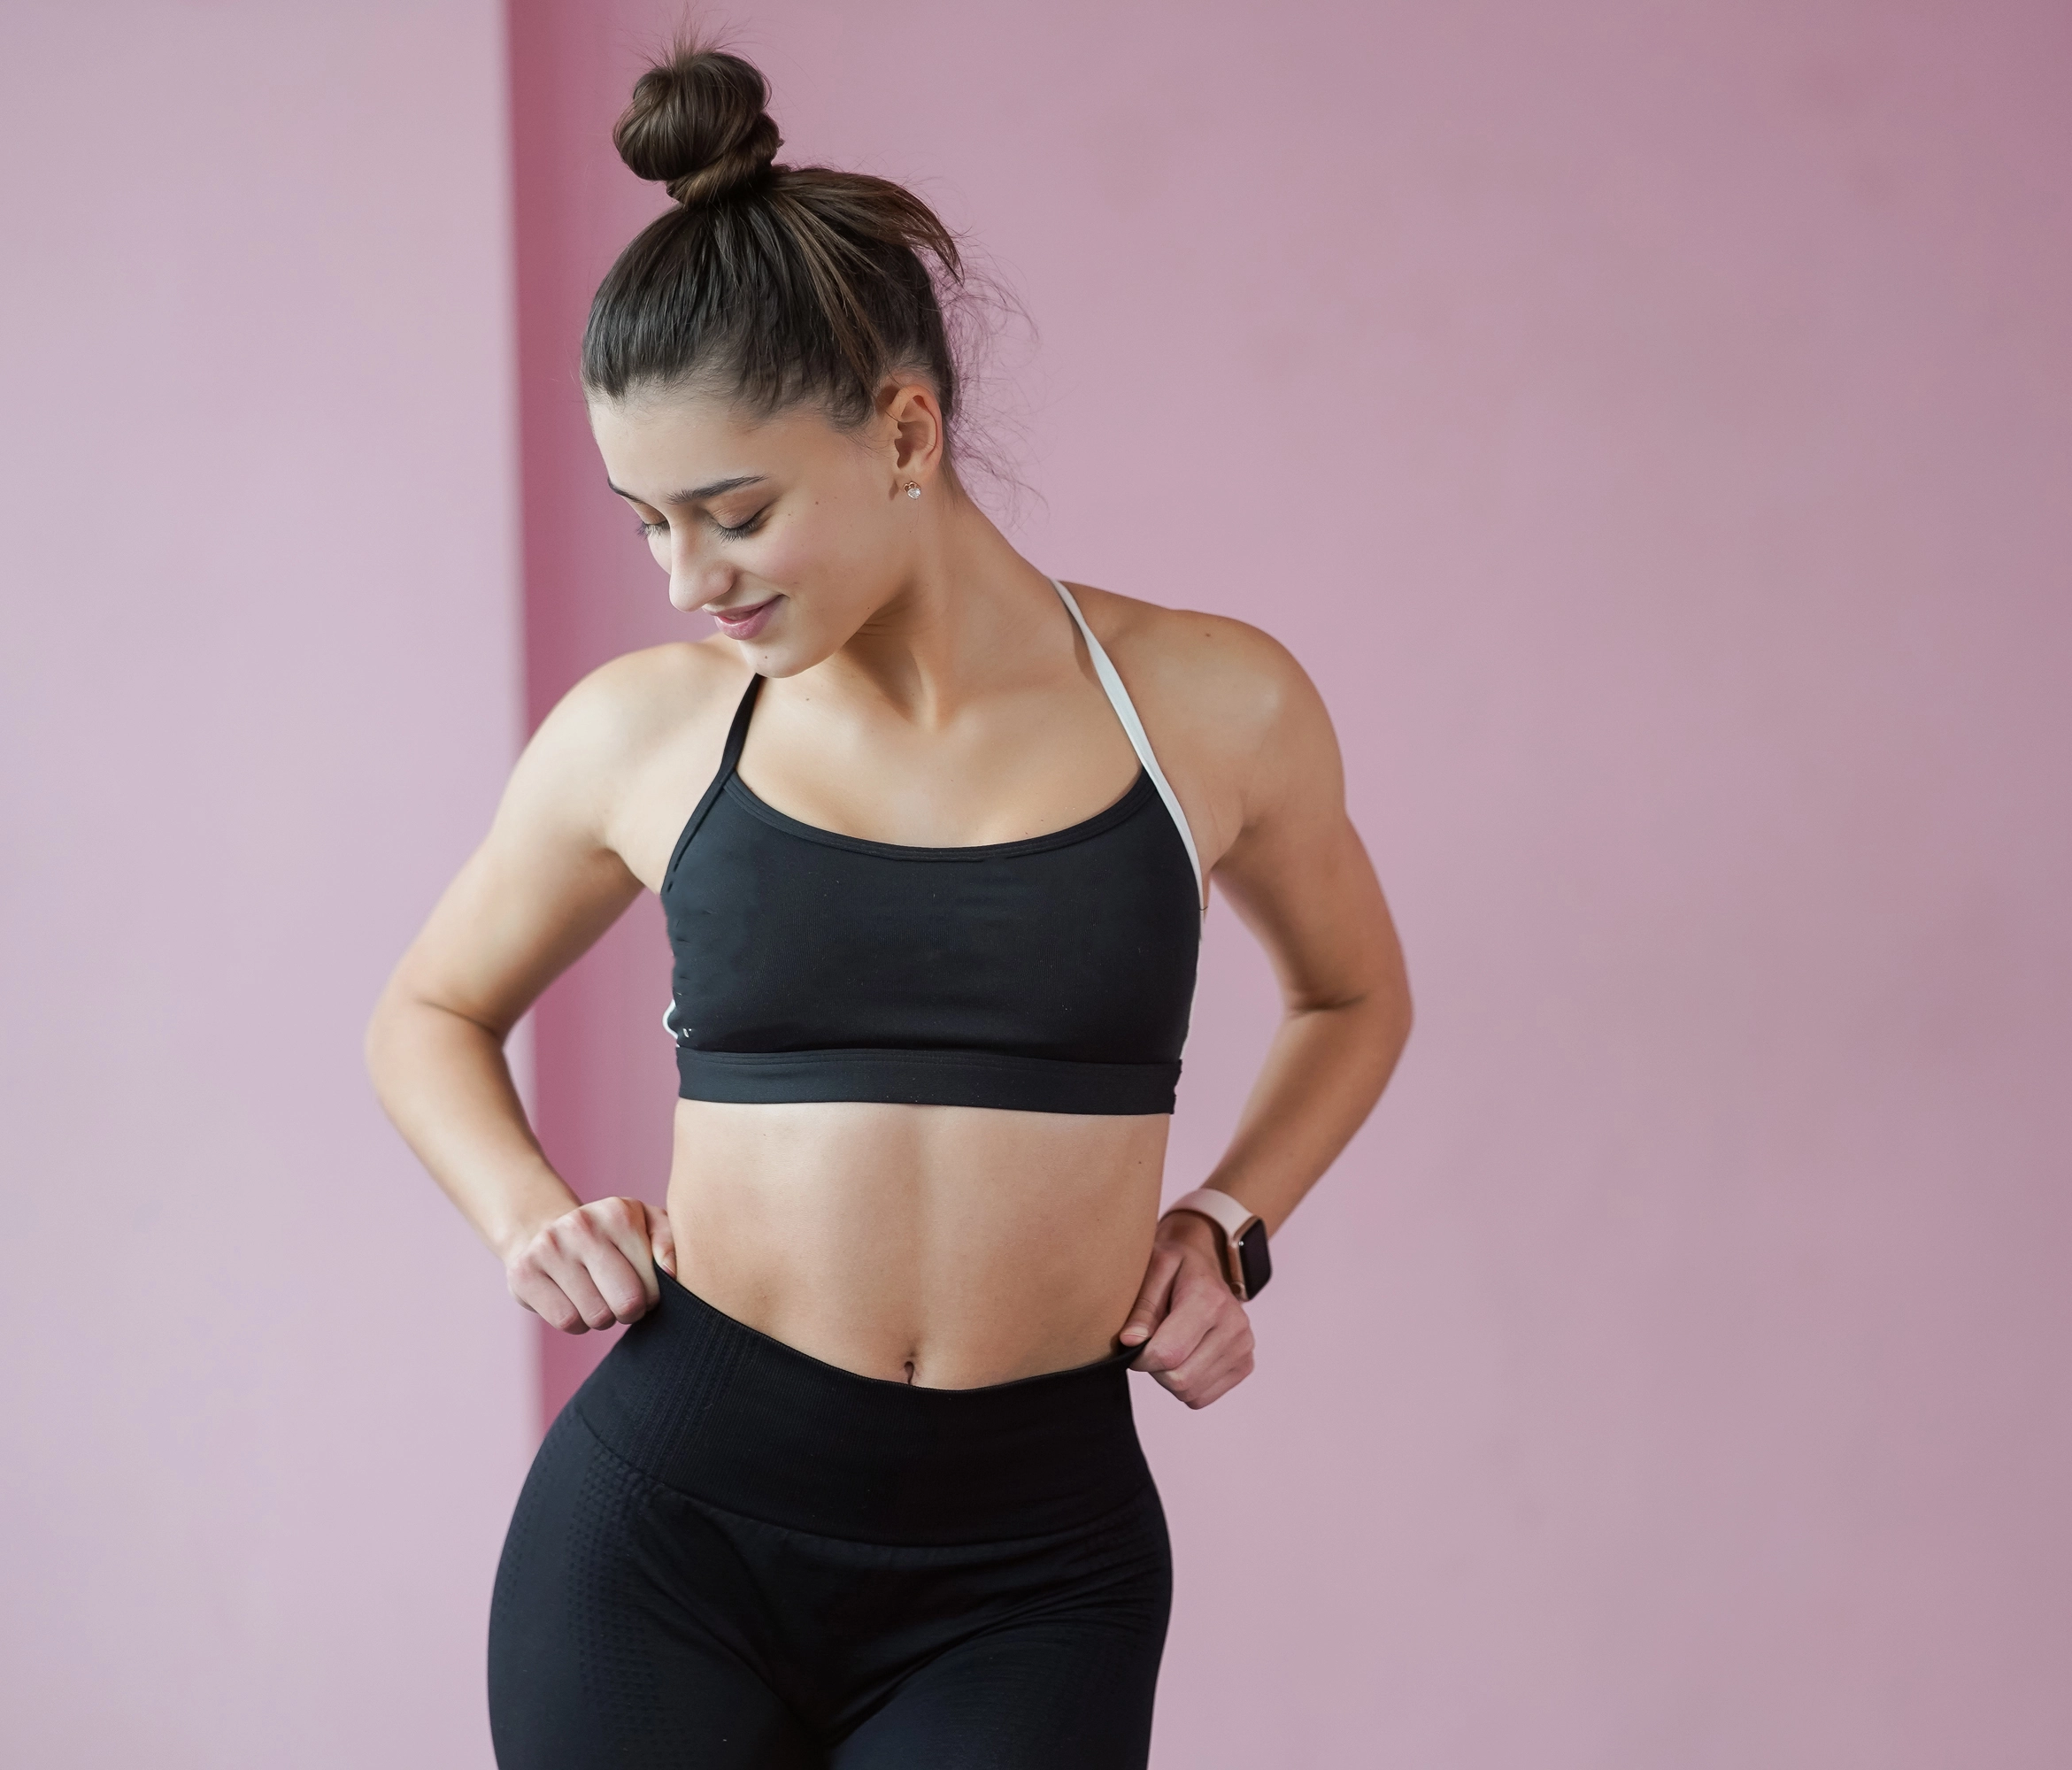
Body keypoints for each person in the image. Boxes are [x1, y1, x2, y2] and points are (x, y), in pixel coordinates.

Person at [364, 42, 1409, 1768]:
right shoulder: (653, 732)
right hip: (668, 1536)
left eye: (735, 513)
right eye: (647, 527)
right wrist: (519, 1211)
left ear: (905, 428)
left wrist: (1229, 1220)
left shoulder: (1215, 708)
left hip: (1032, 1563)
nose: (689, 583)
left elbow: (1355, 996)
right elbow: (428, 1012)